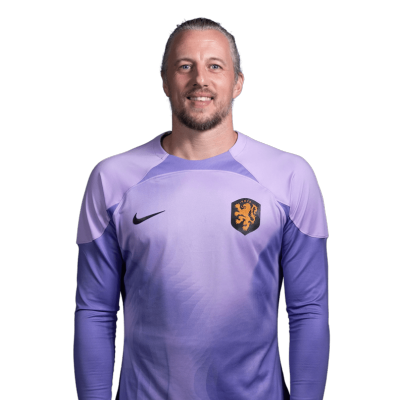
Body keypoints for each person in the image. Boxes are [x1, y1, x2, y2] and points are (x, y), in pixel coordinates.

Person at [74, 17, 330, 400]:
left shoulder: (290, 176)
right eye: (184, 66)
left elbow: (308, 309)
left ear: (238, 82)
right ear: (165, 82)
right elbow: (95, 310)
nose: (200, 79)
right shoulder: (112, 179)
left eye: (215, 65)